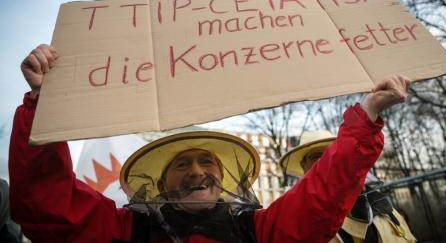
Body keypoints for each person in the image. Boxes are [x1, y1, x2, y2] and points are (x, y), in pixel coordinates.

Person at [9, 44, 411, 242]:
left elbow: (321, 198)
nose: (198, 171)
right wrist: (46, 103)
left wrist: (368, 113)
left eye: (206, 162)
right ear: (162, 181)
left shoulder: (259, 230)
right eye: (182, 165)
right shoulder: (124, 229)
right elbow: (47, 204)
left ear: (223, 175)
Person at [280, 130, 416, 243]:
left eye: (333, 153)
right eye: (317, 156)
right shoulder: (294, 220)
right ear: (304, 166)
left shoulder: (381, 206)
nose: (327, 161)